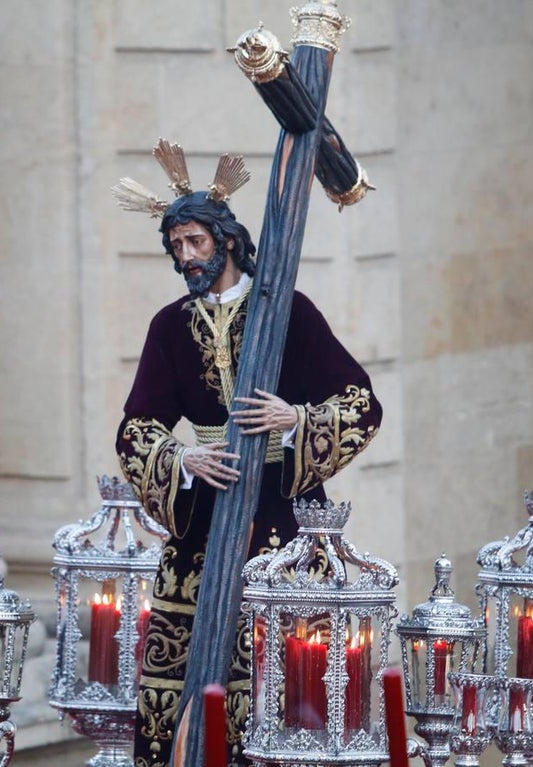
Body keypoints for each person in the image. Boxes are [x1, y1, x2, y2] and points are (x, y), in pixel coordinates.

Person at [116, 189, 381, 767]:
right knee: (190, 671)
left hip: (283, 517)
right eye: (175, 245)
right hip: (202, 530)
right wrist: (183, 460)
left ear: (227, 240)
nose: (186, 255)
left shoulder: (290, 312)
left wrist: (296, 421)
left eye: (195, 241)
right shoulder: (170, 326)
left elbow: (361, 403)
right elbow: (137, 428)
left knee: (286, 677)